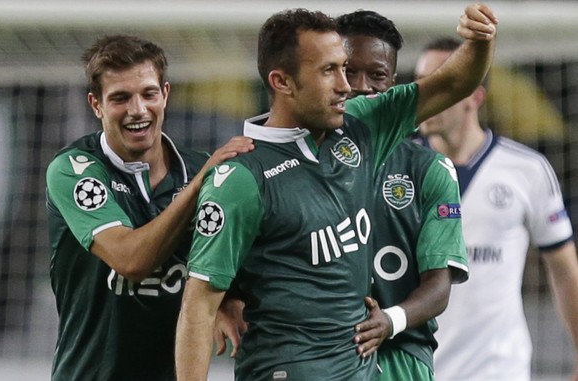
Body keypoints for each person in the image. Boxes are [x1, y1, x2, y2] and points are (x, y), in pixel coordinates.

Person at [175, 4, 497, 381]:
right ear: (282, 82)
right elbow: (198, 308)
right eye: (330, 71)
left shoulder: (360, 125)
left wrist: (479, 41)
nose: (347, 85)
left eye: (343, 68)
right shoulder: (242, 178)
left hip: (360, 369)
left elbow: (452, 83)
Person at [45, 34, 253, 381]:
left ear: (166, 95)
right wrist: (199, 185)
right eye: (120, 98)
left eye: (148, 94)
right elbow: (131, 260)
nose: (138, 110)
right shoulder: (75, 170)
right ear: (96, 105)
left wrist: (230, 295)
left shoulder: (197, 168)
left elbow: (225, 254)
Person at [414, 37, 578, 381]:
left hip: (499, 370)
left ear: (475, 96)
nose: (423, 96)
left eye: (439, 85)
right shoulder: (396, 170)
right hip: (416, 370)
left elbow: (564, 269)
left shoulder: (527, 169)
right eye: (420, 83)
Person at [336, 11, 468, 381]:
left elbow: (439, 285)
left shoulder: (429, 170)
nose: (361, 87)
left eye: (376, 76)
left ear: (394, 85)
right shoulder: (291, 161)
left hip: (401, 357)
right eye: (348, 71)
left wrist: (389, 321)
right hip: (319, 355)